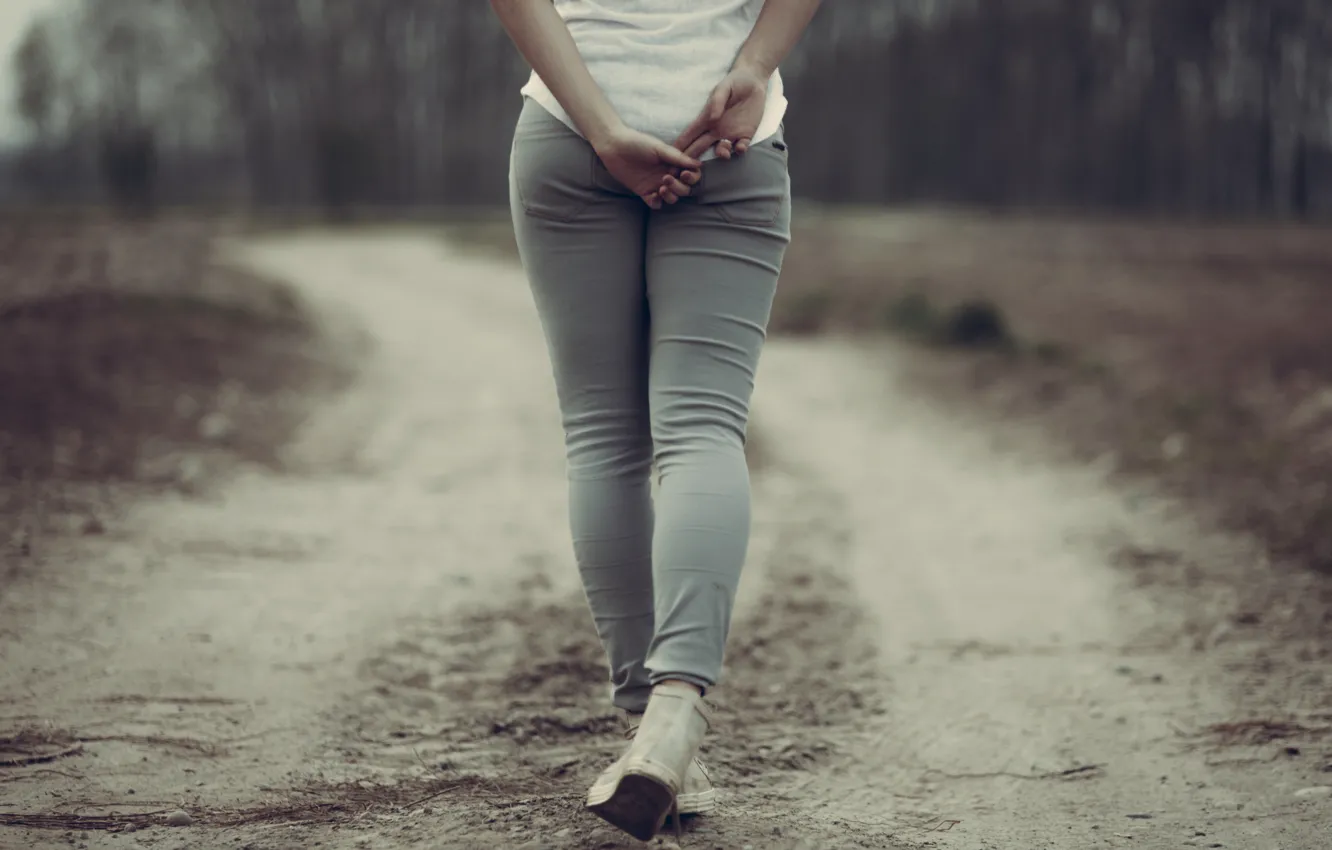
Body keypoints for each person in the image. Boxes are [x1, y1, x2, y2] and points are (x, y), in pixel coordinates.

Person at [490, 0, 820, 841]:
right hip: (727, 134)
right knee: (702, 428)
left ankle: (647, 722)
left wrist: (604, 130)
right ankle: (674, 718)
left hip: (571, 130)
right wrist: (752, 67)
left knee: (603, 439)